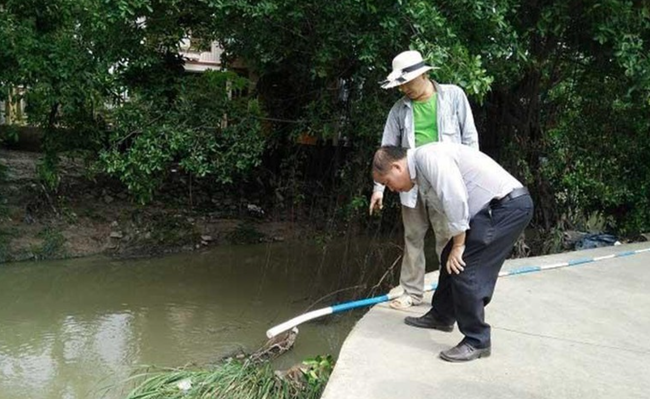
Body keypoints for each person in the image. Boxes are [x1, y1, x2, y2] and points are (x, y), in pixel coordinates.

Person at [372, 143, 533, 362]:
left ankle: (477, 340)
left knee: (465, 268)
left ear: (397, 167)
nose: (391, 189)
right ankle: (442, 315)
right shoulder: (421, 167)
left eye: (388, 182)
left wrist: (459, 245)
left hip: (505, 207)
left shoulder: (427, 157)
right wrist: (455, 245)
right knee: (450, 256)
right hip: (491, 209)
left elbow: (454, 197)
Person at [370, 49, 479, 310]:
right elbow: (386, 151)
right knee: (413, 238)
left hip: (445, 183)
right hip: (411, 184)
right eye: (400, 84)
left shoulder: (453, 96)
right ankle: (411, 292)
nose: (403, 88)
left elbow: (470, 139)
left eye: (407, 82)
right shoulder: (399, 110)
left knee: (448, 238)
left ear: (425, 74)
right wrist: (379, 189)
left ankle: (451, 294)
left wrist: (468, 180)